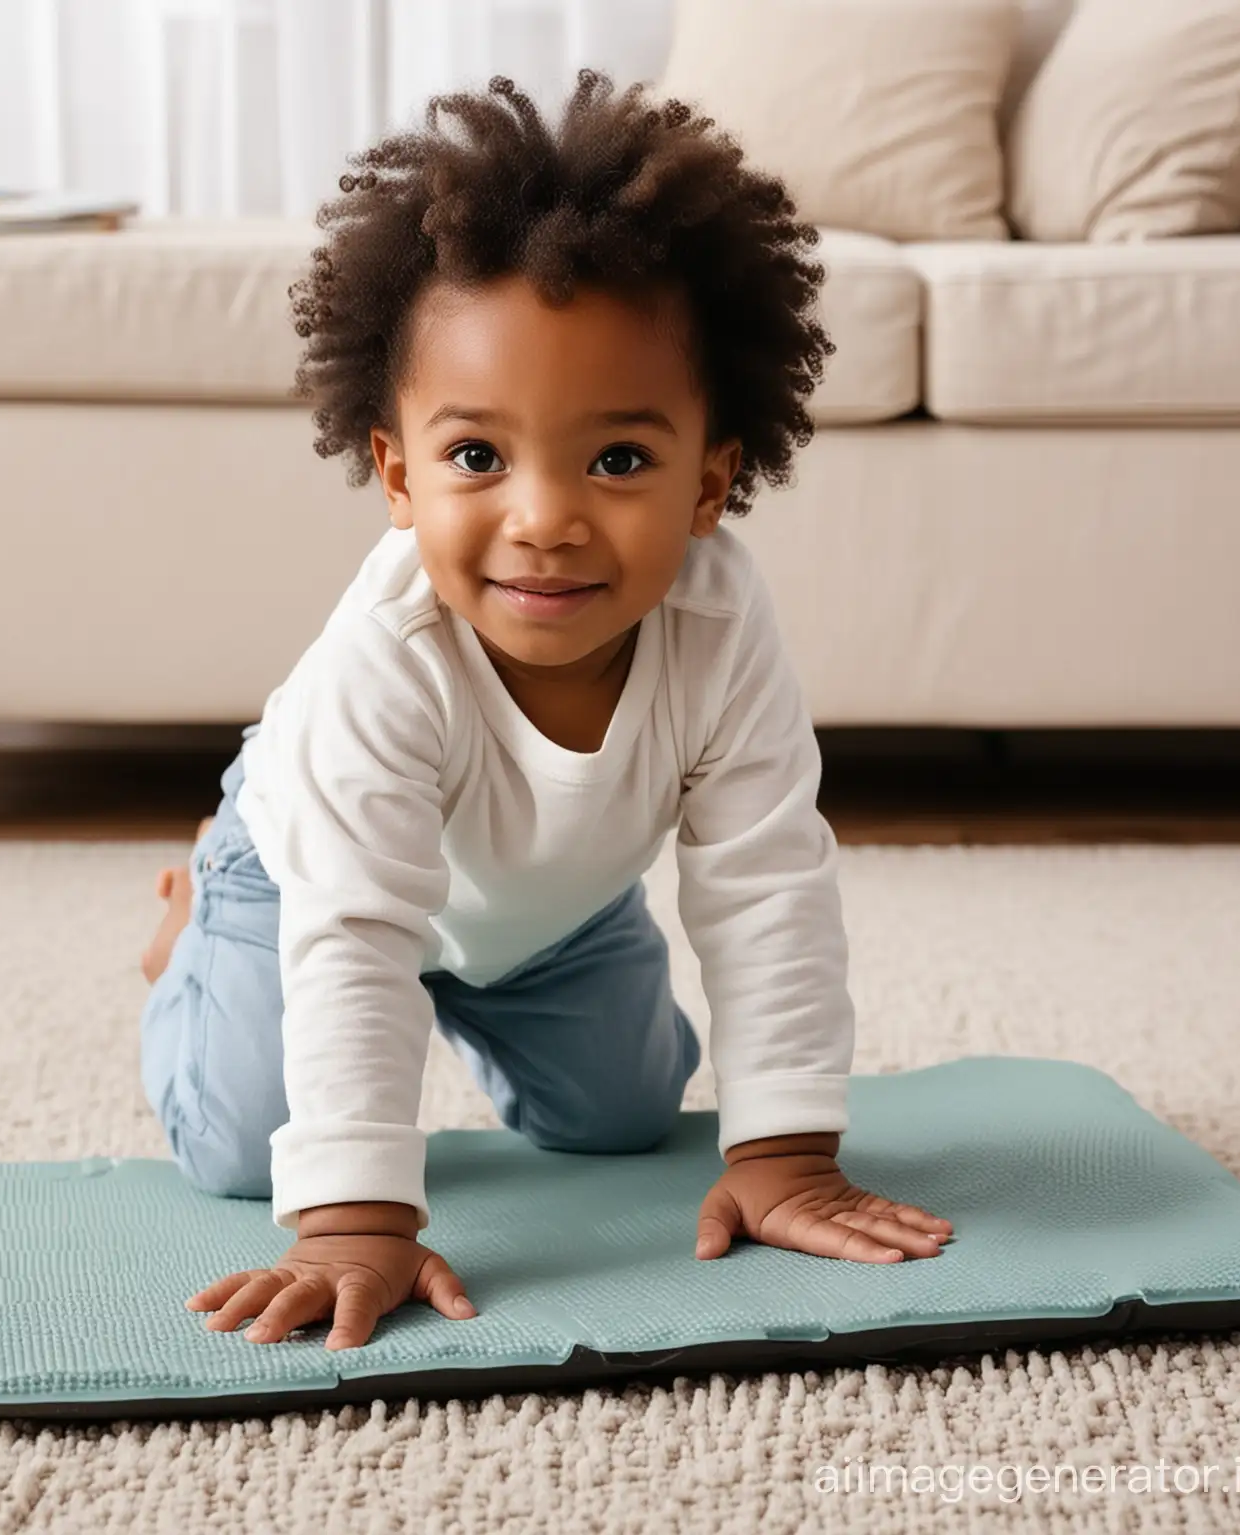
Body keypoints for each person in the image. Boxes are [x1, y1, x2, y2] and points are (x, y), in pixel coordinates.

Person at [139, 70, 952, 1353]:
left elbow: (767, 884)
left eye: (619, 459)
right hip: (309, 877)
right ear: (397, 474)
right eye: (478, 457)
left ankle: (513, 959)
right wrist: (357, 1222)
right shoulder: (385, 659)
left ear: (710, 483)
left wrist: (788, 1157)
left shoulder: (721, 628)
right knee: (248, 1148)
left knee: (628, 1114)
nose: (545, 520)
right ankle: (197, 922)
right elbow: (355, 936)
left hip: (544, 904)